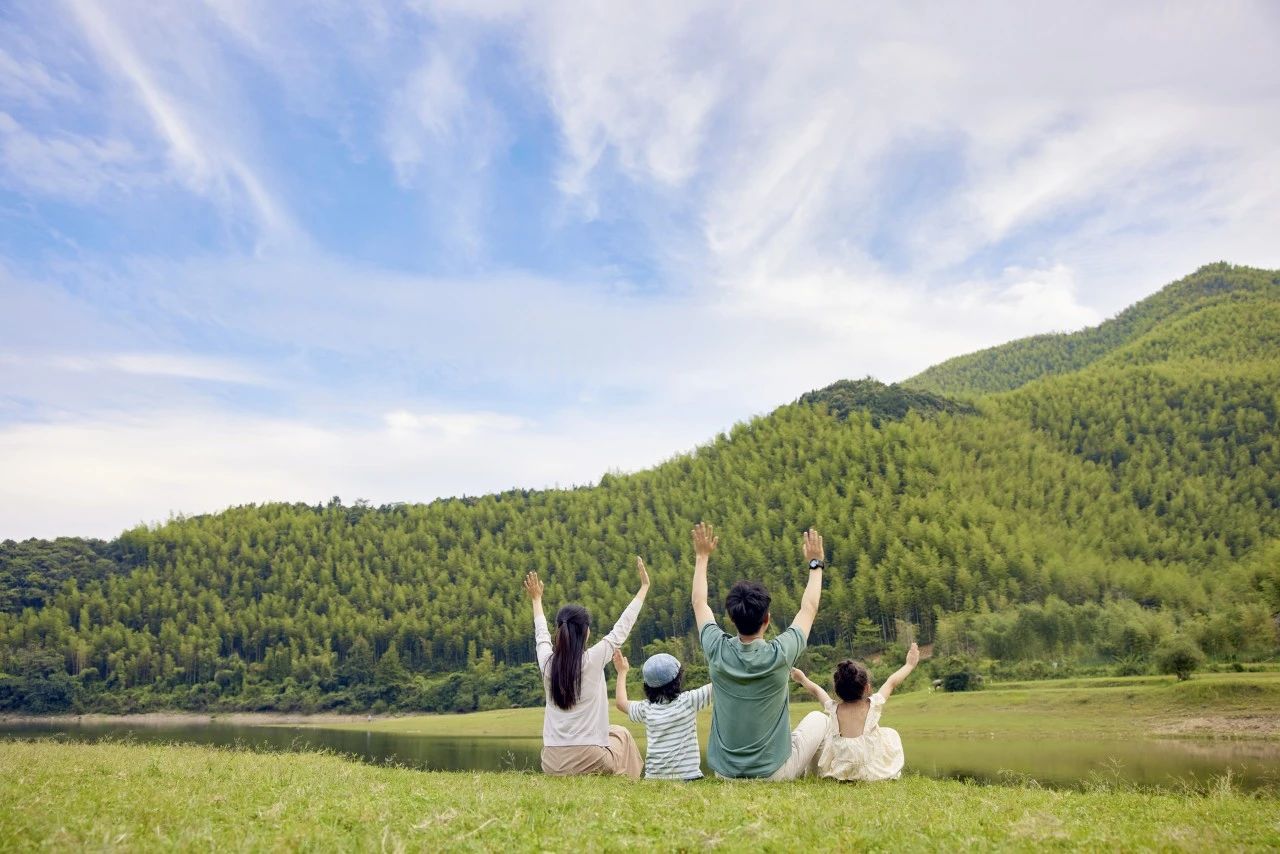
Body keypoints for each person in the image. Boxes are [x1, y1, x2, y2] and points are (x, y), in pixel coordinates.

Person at [691, 521, 828, 780]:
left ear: (731, 619)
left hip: (725, 774)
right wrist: (815, 563)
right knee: (820, 719)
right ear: (767, 619)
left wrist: (702, 556)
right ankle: (817, 780)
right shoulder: (781, 654)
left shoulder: (716, 649)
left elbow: (699, 602)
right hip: (774, 773)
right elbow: (809, 608)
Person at [524, 559, 649, 777]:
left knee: (615, 732)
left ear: (559, 631)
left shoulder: (547, 663)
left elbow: (540, 634)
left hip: (551, 762)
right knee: (624, 736)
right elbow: (622, 627)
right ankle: (632, 785)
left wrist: (536, 600)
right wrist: (644, 587)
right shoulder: (592, 660)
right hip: (589, 758)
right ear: (586, 632)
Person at [790, 642, 920, 782]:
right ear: (867, 688)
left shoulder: (834, 709)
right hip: (872, 772)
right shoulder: (873, 704)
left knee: (829, 737)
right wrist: (909, 665)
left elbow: (816, 690)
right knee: (891, 733)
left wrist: (802, 678)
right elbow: (891, 682)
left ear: (837, 691)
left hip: (842, 772)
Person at [612, 649, 713, 781]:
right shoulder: (688, 701)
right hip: (688, 777)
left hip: (653, 778)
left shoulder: (647, 708)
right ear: (678, 679)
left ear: (647, 685)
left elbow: (621, 703)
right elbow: (720, 684)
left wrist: (622, 672)